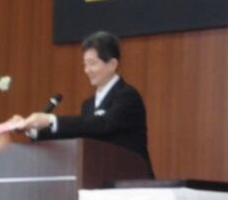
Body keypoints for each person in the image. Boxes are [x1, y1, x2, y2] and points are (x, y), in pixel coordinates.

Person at [20, 31, 153, 175]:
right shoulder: (88, 104)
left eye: (92, 63)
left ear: (112, 64)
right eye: (85, 64)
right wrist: (32, 129)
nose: (87, 70)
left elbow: (102, 125)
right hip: (99, 177)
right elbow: (79, 135)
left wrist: (51, 120)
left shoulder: (127, 96)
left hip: (131, 179)